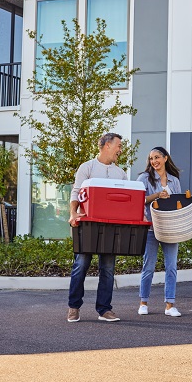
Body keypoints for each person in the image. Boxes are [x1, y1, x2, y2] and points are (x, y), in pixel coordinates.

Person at [66, 133, 128, 323]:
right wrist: (73, 213)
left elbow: (126, 198)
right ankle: (74, 307)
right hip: (88, 225)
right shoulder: (87, 167)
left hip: (111, 227)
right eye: (118, 145)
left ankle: (104, 309)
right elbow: (76, 191)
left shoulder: (121, 173)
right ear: (107, 145)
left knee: (108, 268)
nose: (120, 149)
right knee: (81, 265)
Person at [136, 146, 183, 317]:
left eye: (157, 157)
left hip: (169, 229)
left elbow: (179, 204)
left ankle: (170, 305)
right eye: (151, 158)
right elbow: (139, 199)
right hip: (150, 228)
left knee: (171, 267)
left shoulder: (174, 180)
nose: (154, 161)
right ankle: (143, 302)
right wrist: (157, 195)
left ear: (165, 158)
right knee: (148, 266)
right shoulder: (144, 178)